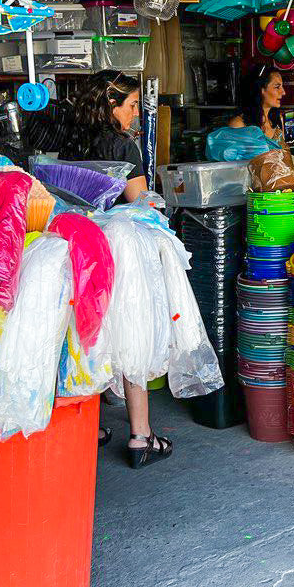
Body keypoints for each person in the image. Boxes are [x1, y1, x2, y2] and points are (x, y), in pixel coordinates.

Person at [67, 70, 173, 468]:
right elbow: (138, 203)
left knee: (87, 334)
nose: (134, 115)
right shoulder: (122, 146)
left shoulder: (71, 138)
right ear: (112, 105)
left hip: (76, 246)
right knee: (132, 333)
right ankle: (140, 437)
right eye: (130, 106)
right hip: (118, 249)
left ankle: (88, 425)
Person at [228, 65, 287, 148]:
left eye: (282, 86)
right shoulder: (239, 124)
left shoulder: (277, 119)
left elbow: (284, 153)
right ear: (261, 89)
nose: (283, 92)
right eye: (277, 87)